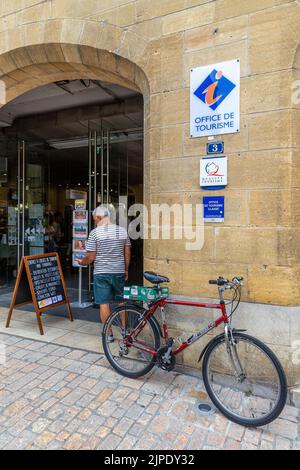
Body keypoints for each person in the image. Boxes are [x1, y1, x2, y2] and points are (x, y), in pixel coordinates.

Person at [76, 205, 131, 342]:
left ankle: (109, 334)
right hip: (118, 271)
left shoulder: (95, 233)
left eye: (95, 219)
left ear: (99, 217)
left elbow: (91, 257)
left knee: (104, 303)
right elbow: (127, 252)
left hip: (101, 273)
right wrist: (126, 269)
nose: (95, 221)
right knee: (122, 301)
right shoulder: (122, 231)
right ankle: (125, 332)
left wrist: (82, 262)